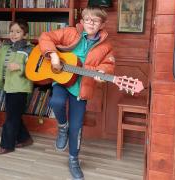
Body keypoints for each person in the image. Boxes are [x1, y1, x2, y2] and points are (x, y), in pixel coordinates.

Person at [38, 7, 115, 180]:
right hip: (62, 80)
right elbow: (45, 37)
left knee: (77, 127)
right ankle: (62, 126)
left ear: (102, 24)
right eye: (88, 19)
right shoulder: (71, 32)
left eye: (95, 21)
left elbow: (108, 65)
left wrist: (102, 72)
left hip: (82, 87)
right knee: (55, 102)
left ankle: (74, 159)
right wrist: (54, 56)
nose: (91, 23)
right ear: (82, 20)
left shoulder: (106, 46)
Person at [0, 20, 34, 154]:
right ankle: (25, 138)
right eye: (11, 31)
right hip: (7, 86)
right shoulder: (5, 47)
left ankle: (7, 145)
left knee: (11, 117)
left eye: (18, 31)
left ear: (25, 34)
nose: (14, 34)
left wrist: (20, 67)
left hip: (20, 87)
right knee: (14, 115)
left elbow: (34, 69)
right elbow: (0, 63)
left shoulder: (29, 49)